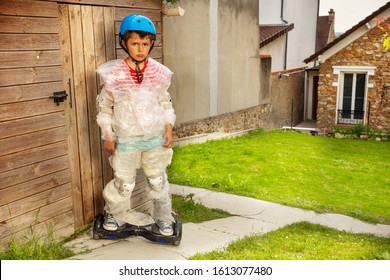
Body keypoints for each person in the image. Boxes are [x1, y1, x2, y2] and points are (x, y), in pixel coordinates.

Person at [96, 14, 176, 236]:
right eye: (134, 43)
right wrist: (108, 135)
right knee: (125, 183)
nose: (140, 48)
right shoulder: (115, 74)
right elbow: (105, 108)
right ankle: (114, 215)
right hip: (127, 139)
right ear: (124, 43)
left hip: (154, 137)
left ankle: (163, 219)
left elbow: (165, 102)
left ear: (151, 44)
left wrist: (168, 128)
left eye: (145, 43)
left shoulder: (157, 72)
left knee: (158, 181)